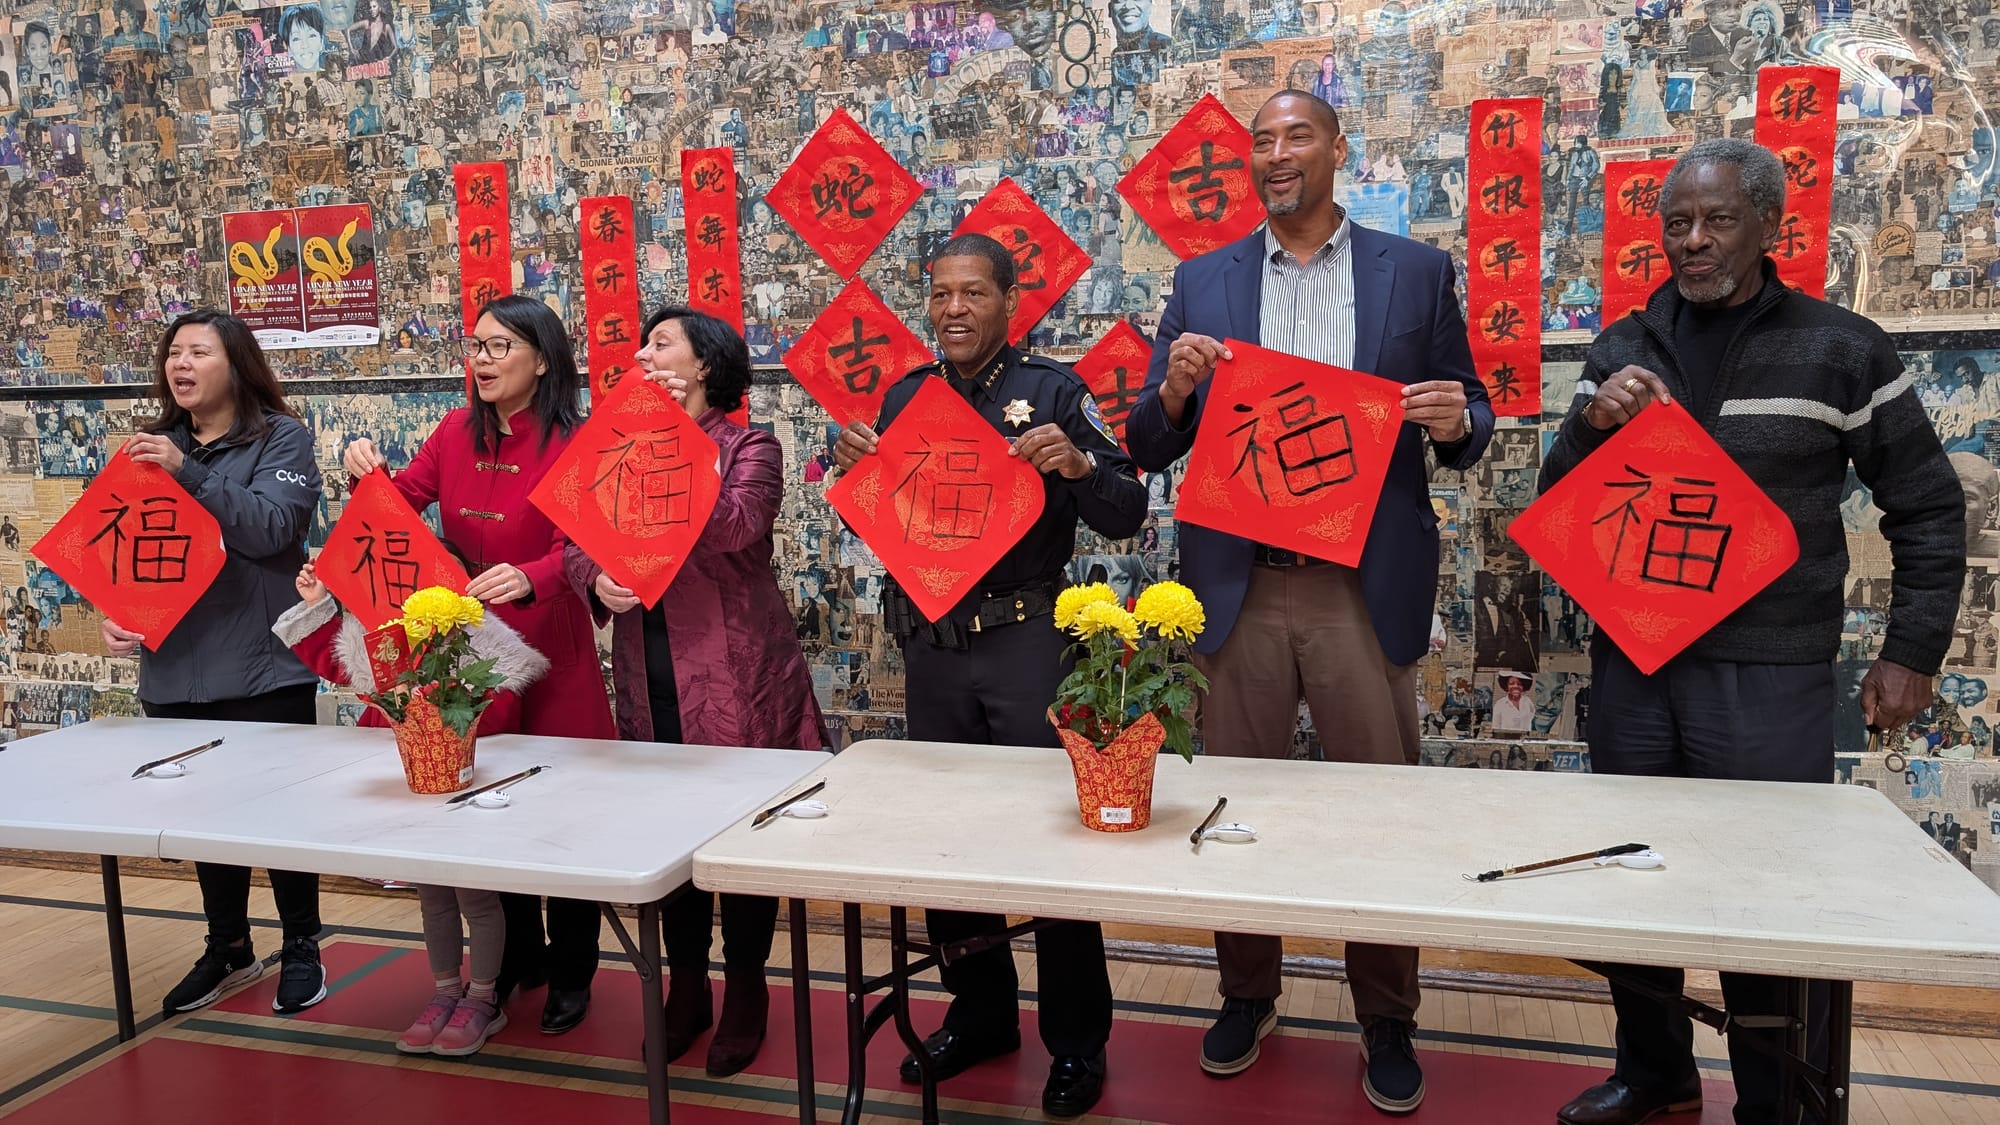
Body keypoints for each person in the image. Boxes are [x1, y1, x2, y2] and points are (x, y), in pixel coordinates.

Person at [1539, 138, 1964, 1125]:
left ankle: (1778, 1101)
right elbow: (1557, 507)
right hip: (1637, 663)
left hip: (1770, 674)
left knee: (1769, 900)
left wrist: (1910, 652)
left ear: (1769, 225)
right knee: (1631, 884)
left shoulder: (1842, 346)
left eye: (1714, 219)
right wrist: (1587, 426)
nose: (1690, 241)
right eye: (1675, 223)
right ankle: (1652, 1074)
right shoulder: (1618, 347)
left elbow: (1927, 508)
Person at [1125, 90, 1493, 1115]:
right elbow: (1146, 447)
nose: (1276, 154)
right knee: (1230, 810)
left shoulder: (1411, 273)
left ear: (1337, 149)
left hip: (1355, 588)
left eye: (1296, 136)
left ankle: (1385, 1012)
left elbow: (1473, 414)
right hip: (1238, 588)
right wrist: (1169, 396)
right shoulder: (1201, 282)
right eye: (1261, 140)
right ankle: (1246, 991)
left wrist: (1454, 416)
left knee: (1378, 813)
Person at [832, 233, 1146, 1118]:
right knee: (952, 842)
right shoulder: (907, 396)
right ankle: (981, 1014)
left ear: (1010, 301)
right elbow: (889, 524)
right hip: (934, 648)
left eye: (973, 293)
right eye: (940, 295)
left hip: (1026, 641)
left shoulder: (1053, 390)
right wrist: (858, 472)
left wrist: (1079, 465)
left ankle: (1078, 1042)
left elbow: (1127, 510)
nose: (954, 309)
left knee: (1053, 846)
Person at [342, 295, 616, 1037]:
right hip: (467, 649)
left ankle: (574, 970)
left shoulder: (576, 440)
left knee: (562, 810)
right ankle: (517, 956)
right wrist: (360, 469)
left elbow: (595, 542)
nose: (484, 359)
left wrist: (540, 574)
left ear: (543, 359)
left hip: (549, 641)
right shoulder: (454, 434)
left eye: (501, 346)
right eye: (478, 345)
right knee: (489, 806)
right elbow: (396, 509)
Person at [565, 306, 828, 1078]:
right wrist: (596, 575)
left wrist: (665, 442)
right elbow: (577, 539)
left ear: (706, 363)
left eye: (660, 343)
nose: (643, 354)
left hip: (735, 668)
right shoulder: (615, 438)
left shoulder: (752, 444)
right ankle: (687, 987)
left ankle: (747, 987)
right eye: (643, 342)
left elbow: (737, 526)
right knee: (665, 834)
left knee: (736, 837)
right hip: (646, 661)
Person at [98, 311, 328, 1017]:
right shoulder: (152, 445)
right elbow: (126, 547)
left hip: (265, 671)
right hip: (176, 671)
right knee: (202, 818)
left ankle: (302, 947)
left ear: (237, 363)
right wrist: (119, 609)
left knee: (280, 819)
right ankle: (229, 945)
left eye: (199, 351)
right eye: (174, 352)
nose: (182, 363)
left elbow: (270, 528)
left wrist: (189, 472)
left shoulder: (281, 436)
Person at [273, 559, 549, 1057]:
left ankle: (484, 997)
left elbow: (497, 717)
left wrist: (437, 708)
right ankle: (446, 989)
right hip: (413, 787)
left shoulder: (486, 647)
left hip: (469, 790)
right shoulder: (383, 643)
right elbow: (335, 661)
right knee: (433, 896)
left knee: (477, 899)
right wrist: (319, 606)